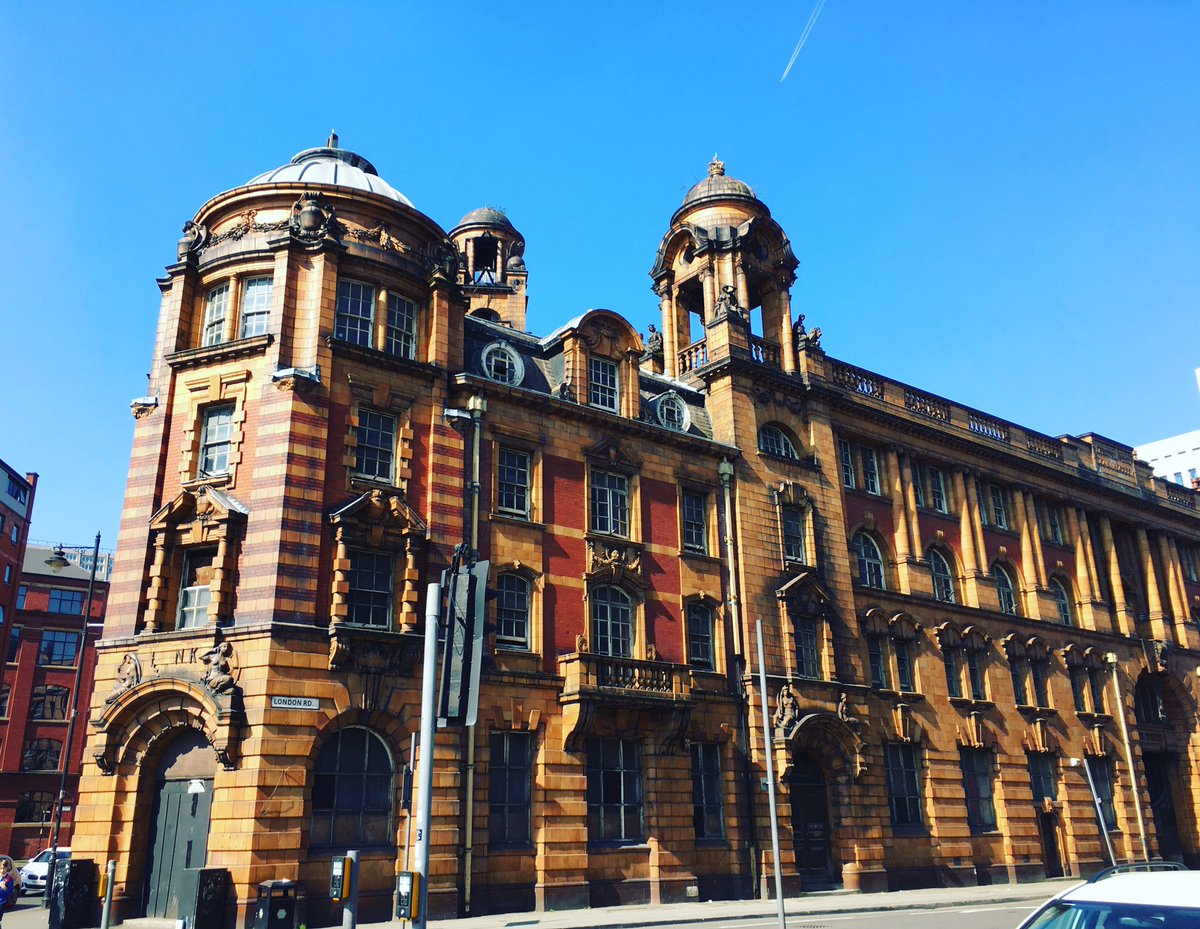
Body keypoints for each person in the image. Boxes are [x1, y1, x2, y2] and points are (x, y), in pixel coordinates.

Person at [0, 855, 17, 920]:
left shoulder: (9, 879)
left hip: (1, 901)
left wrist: (4, 887)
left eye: (4, 868)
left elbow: (10, 892)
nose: (2, 871)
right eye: (1, 868)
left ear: (7, 868)